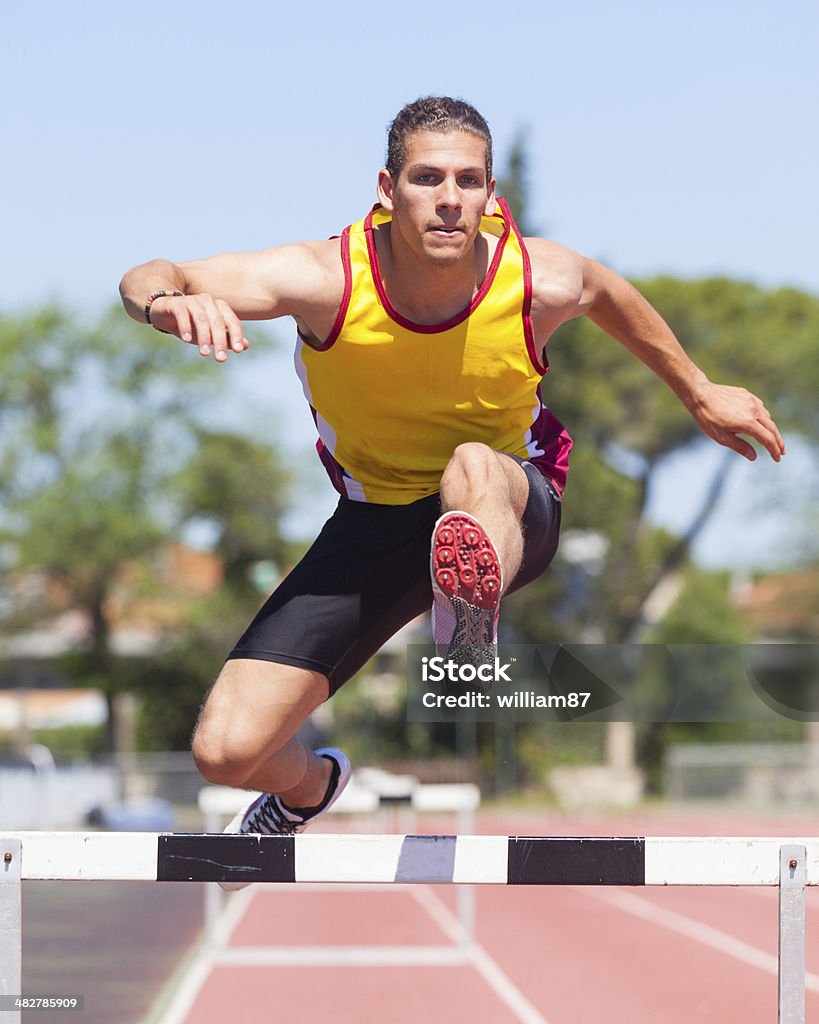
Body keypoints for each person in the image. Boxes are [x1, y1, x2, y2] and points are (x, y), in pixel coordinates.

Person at [119, 96, 785, 850]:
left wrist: (697, 388)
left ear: (489, 194)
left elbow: (606, 291)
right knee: (227, 751)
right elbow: (151, 272)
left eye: (469, 182)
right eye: (427, 179)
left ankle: (469, 619)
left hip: (507, 498)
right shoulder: (325, 279)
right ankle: (313, 788)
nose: (448, 201)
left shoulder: (535, 277)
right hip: (374, 521)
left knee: (469, 465)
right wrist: (167, 304)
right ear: (385, 189)